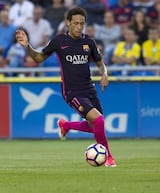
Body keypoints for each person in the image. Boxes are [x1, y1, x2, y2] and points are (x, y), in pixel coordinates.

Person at [15, 7, 116, 167]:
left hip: (89, 89)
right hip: (72, 92)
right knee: (99, 121)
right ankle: (109, 158)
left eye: (81, 23)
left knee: (96, 126)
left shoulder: (88, 42)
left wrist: (104, 74)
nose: (79, 26)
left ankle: (66, 125)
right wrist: (28, 46)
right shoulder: (59, 41)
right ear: (68, 23)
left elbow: (99, 62)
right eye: (75, 23)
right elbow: (39, 58)